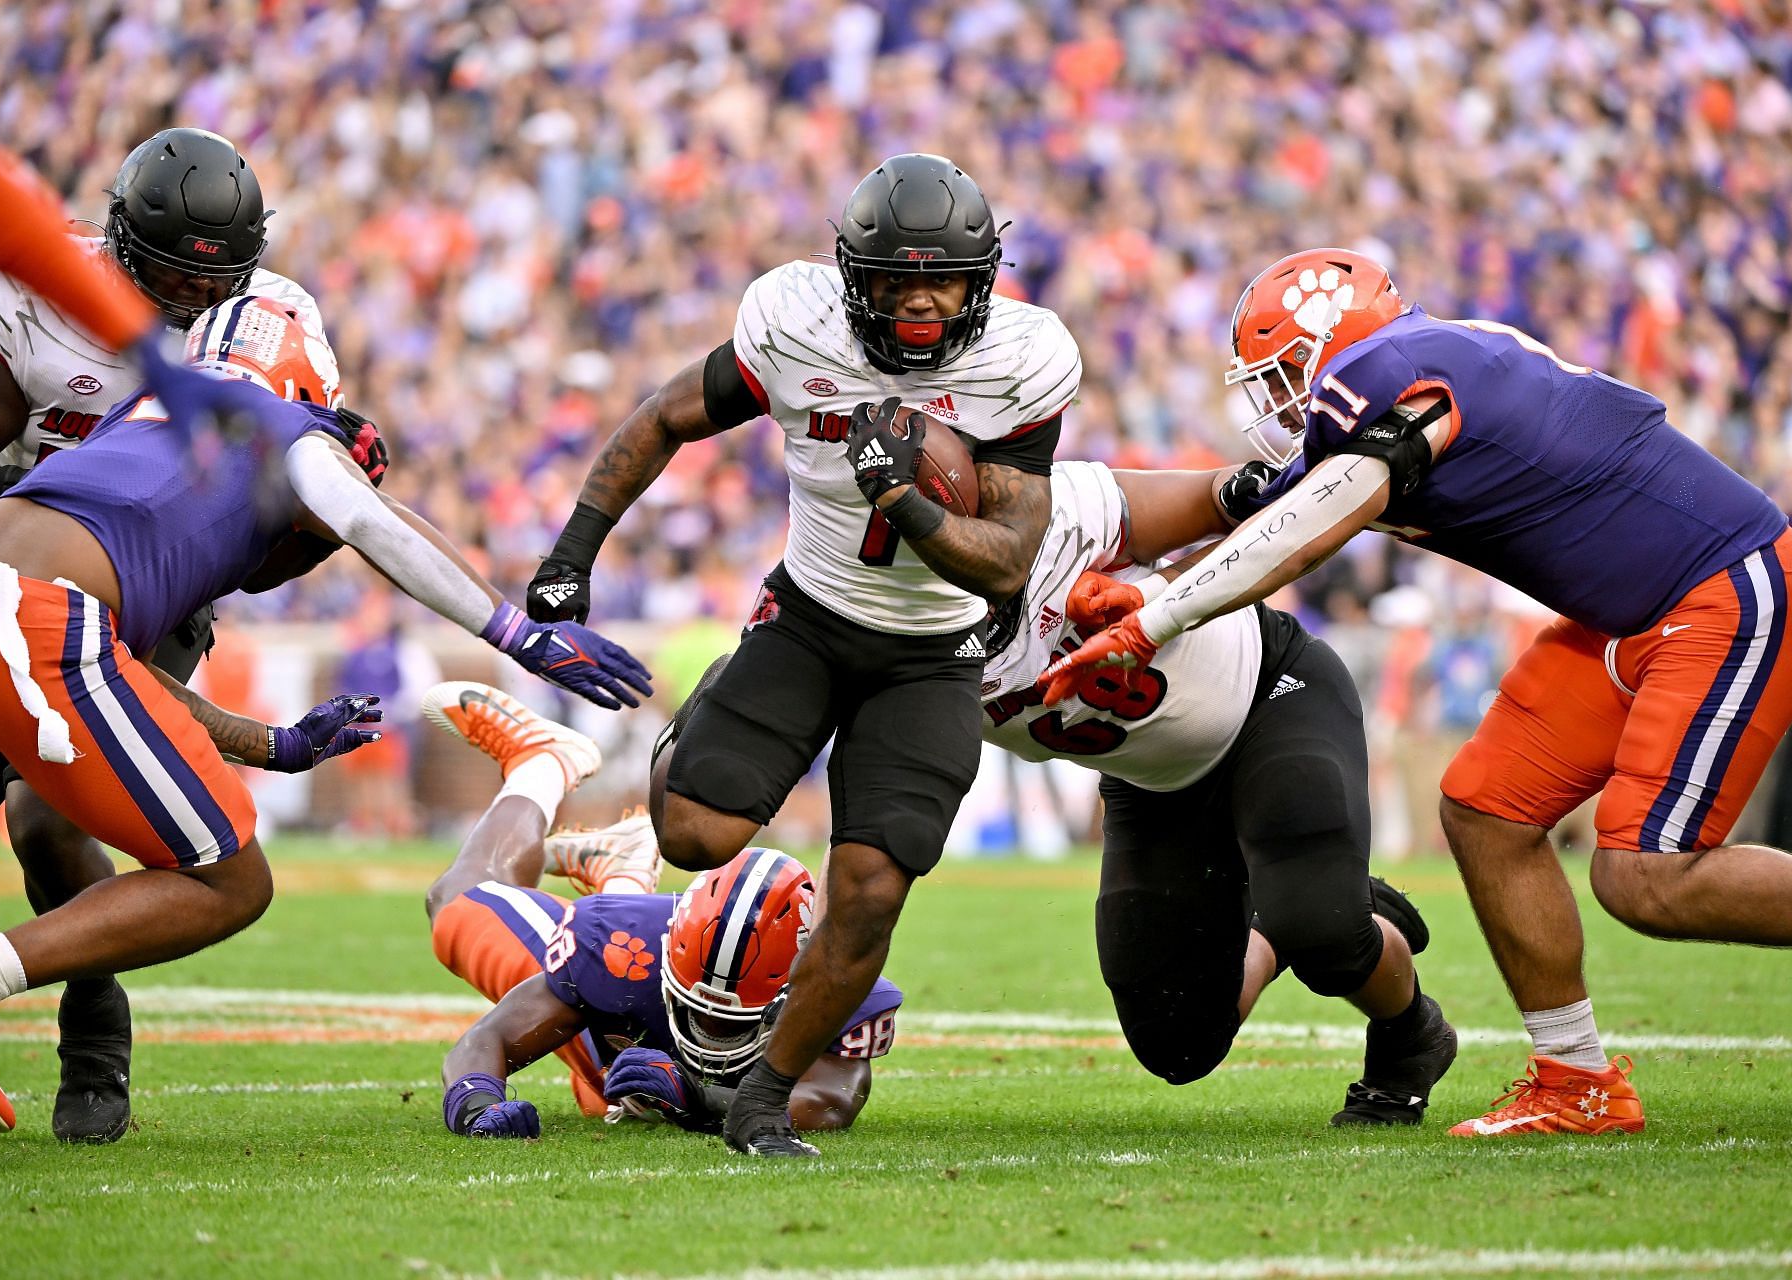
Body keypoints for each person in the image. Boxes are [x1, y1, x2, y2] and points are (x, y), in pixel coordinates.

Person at [1043, 248, 1792, 1135]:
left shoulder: (1388, 373)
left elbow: (1300, 535)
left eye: (1288, 373)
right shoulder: (1415, 369)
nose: (1280, 401)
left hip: (1723, 584)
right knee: (1486, 810)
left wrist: (1157, 618)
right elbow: (1271, 507)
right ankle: (1577, 1082)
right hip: (1630, 614)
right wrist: (1150, 586)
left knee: (1643, 876)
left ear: (1340, 342)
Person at [0, 297, 651, 1138]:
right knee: (231, 881)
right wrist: (516, 634)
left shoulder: (141, 420)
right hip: (34, 621)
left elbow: (120, 671)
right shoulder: (279, 423)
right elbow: (370, 519)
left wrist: (276, 744)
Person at [526, 153, 1077, 1156]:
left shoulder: (1022, 359)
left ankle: (761, 1096)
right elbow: (664, 418)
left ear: (981, 281)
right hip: (812, 614)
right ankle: (655, 803)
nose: (920, 305)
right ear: (850, 279)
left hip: (933, 647)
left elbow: (1004, 565)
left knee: (870, 889)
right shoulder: (793, 322)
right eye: (897, 281)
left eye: (941, 280)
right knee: (692, 829)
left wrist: (902, 497)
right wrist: (572, 553)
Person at [0, 126, 348, 1143]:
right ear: (114, 241)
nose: (191, 304)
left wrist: (184, 551)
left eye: (215, 282)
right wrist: (65, 508)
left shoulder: (271, 323)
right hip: (8, 575)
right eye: (166, 277)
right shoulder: (40, 291)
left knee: (52, 821)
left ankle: (94, 1032)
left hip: (147, 596)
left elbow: (310, 511)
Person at [979, 459, 1455, 1124]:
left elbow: (1254, 502)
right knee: (1176, 1042)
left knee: (1323, 930)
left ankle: (1409, 1035)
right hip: (1153, 778)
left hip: (1269, 694)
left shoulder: (1064, 521)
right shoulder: (901, 641)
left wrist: (1161, 590)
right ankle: (1291, 912)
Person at [422, 681, 897, 1139]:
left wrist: (693, 1098)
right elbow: (489, 1040)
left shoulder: (840, 984)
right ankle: (542, 761)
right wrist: (477, 1106)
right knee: (455, 906)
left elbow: (828, 1100)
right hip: (627, 964)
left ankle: (621, 867)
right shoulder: (619, 948)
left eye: (730, 1022)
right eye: (700, 1009)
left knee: (606, 1098)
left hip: (634, 1033)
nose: (709, 1035)